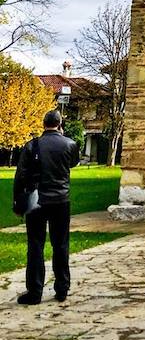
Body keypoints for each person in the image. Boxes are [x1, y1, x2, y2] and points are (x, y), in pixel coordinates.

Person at [12, 109, 80, 305]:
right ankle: (62, 288)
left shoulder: (32, 146)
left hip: (36, 200)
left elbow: (21, 176)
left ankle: (35, 291)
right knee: (61, 244)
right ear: (60, 124)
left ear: (43, 124)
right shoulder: (69, 144)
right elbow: (73, 163)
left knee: (35, 245)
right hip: (60, 199)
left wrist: (18, 202)